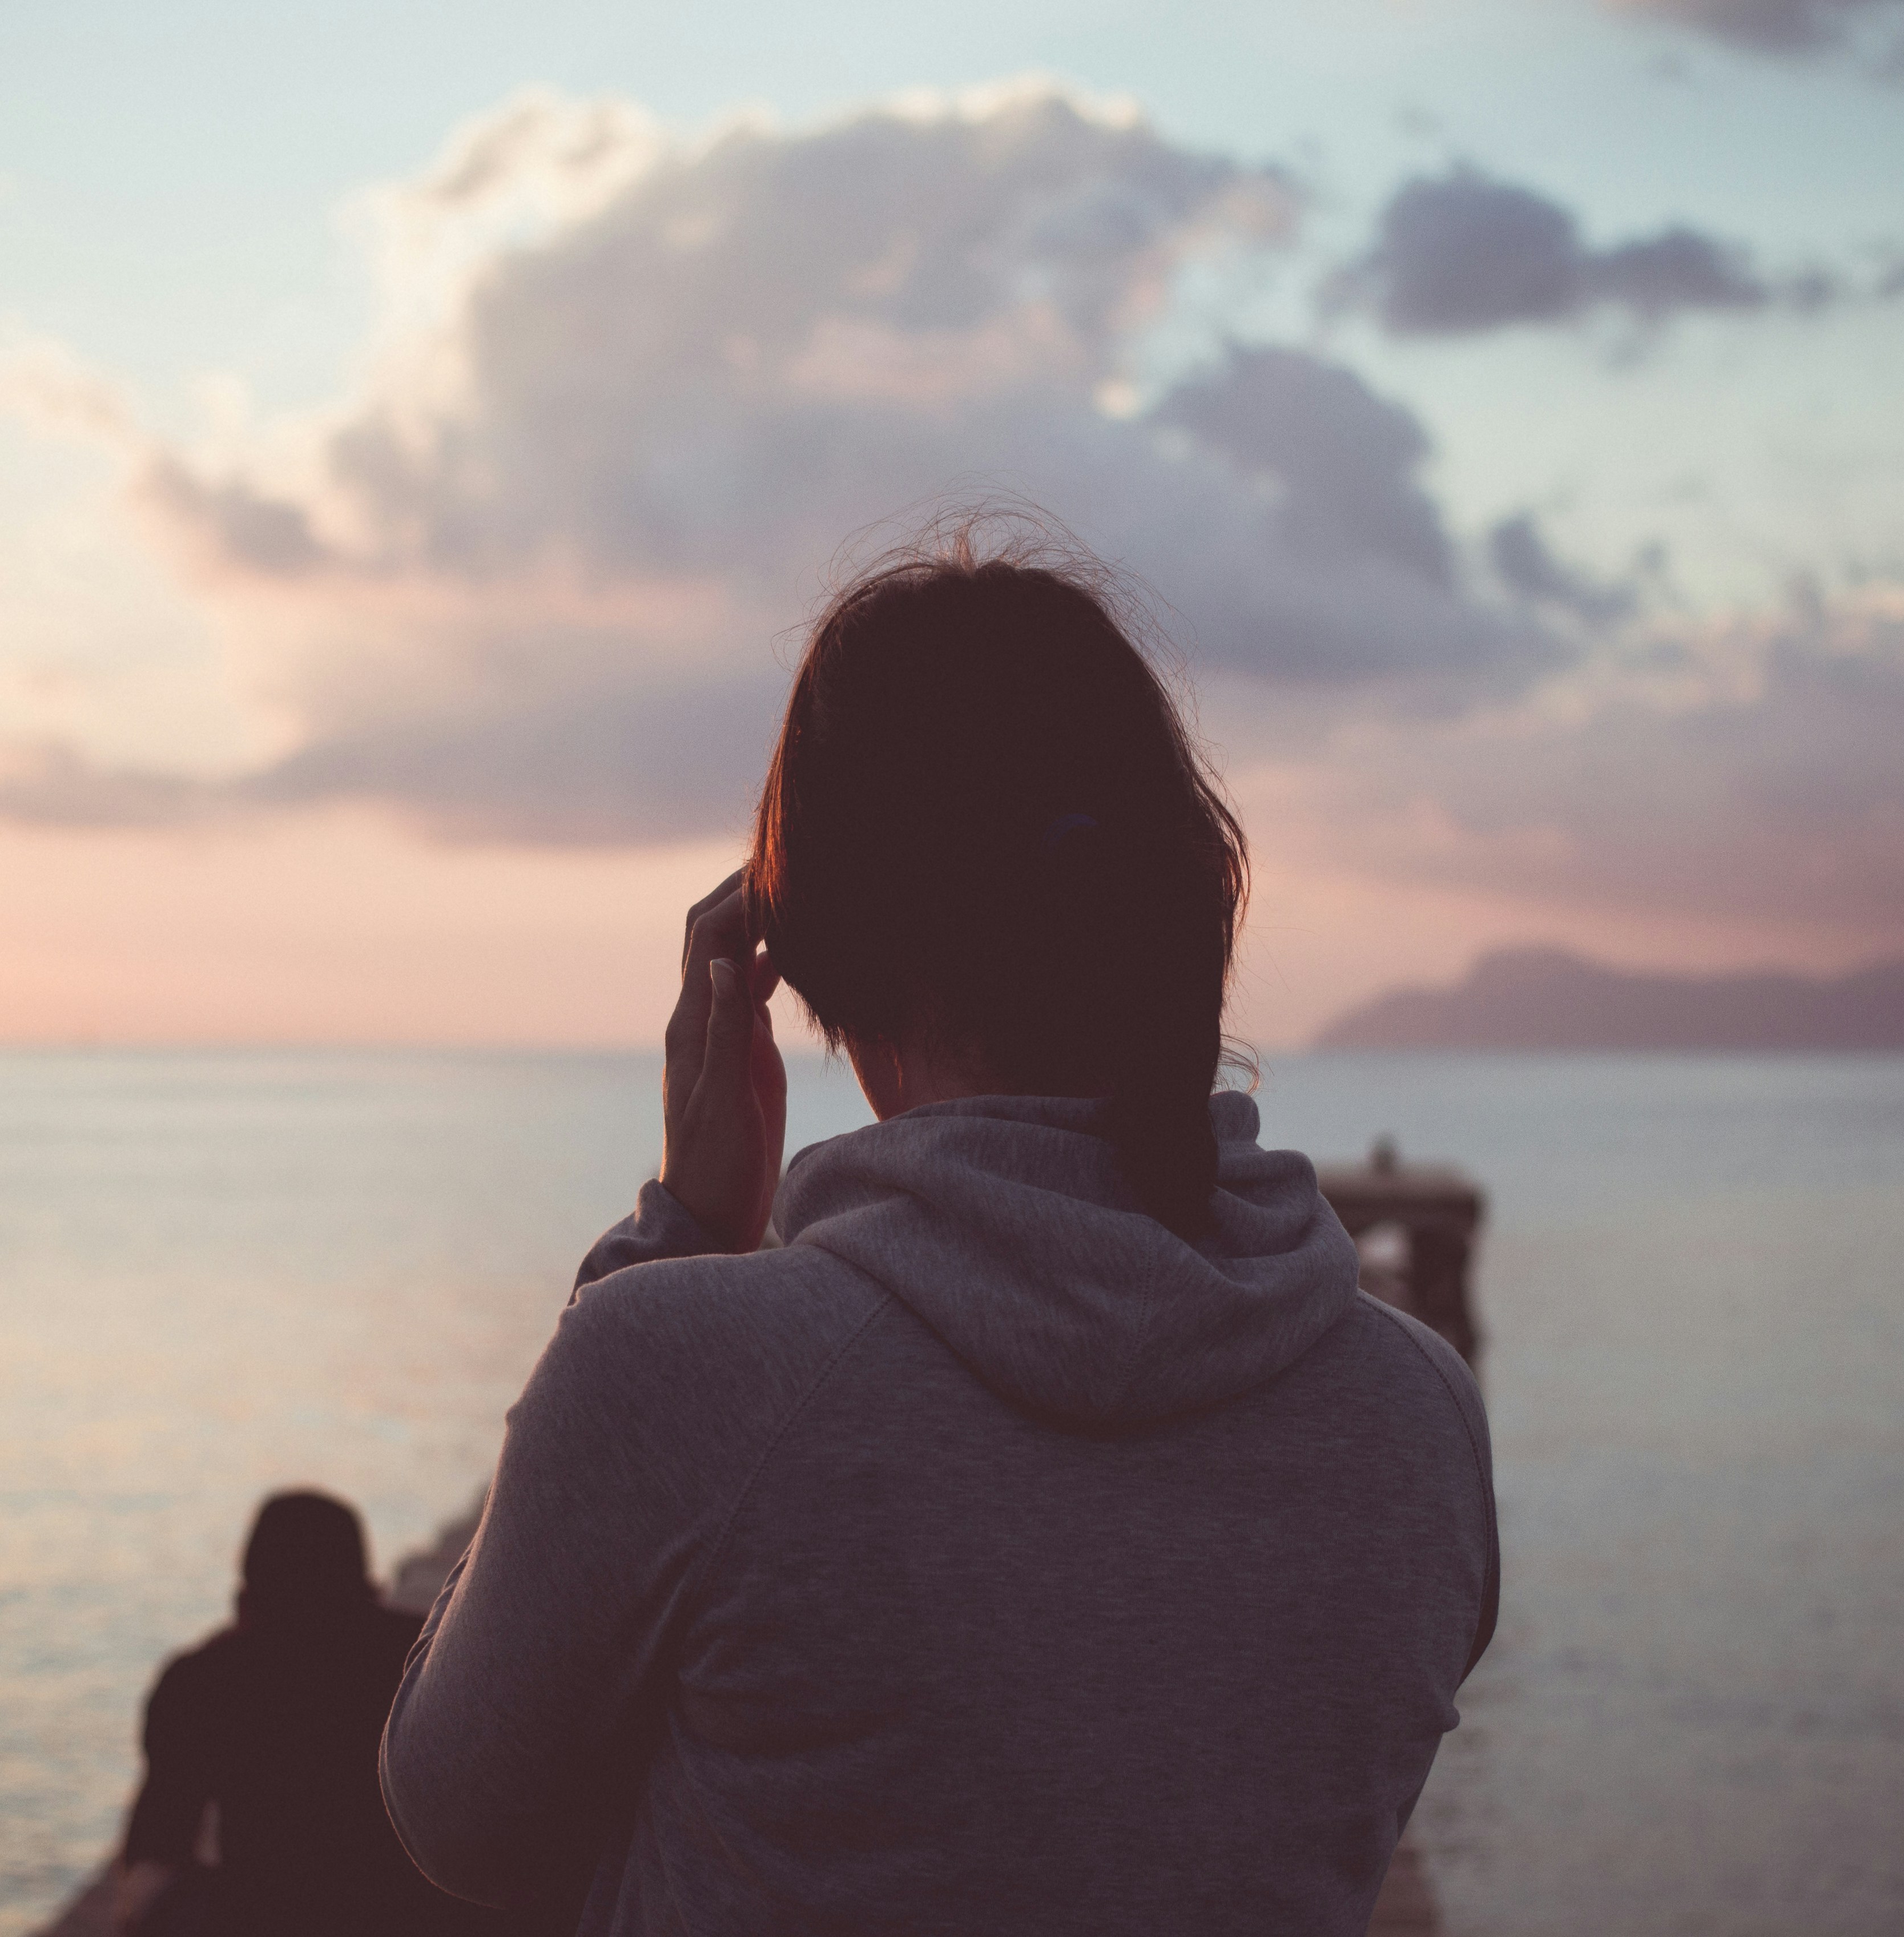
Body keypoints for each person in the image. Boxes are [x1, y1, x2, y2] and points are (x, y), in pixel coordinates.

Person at [381, 525, 1499, 1934]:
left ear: (806, 951)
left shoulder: (688, 1369)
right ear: (1178, 910)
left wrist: (679, 1228)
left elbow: (456, 1817)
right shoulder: (1421, 1419)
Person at [115, 1491, 477, 1937]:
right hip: (423, 1918)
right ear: (372, 1593)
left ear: (245, 1603)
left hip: (262, 1919)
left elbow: (151, 1863)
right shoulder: (426, 1661)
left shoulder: (202, 1681)